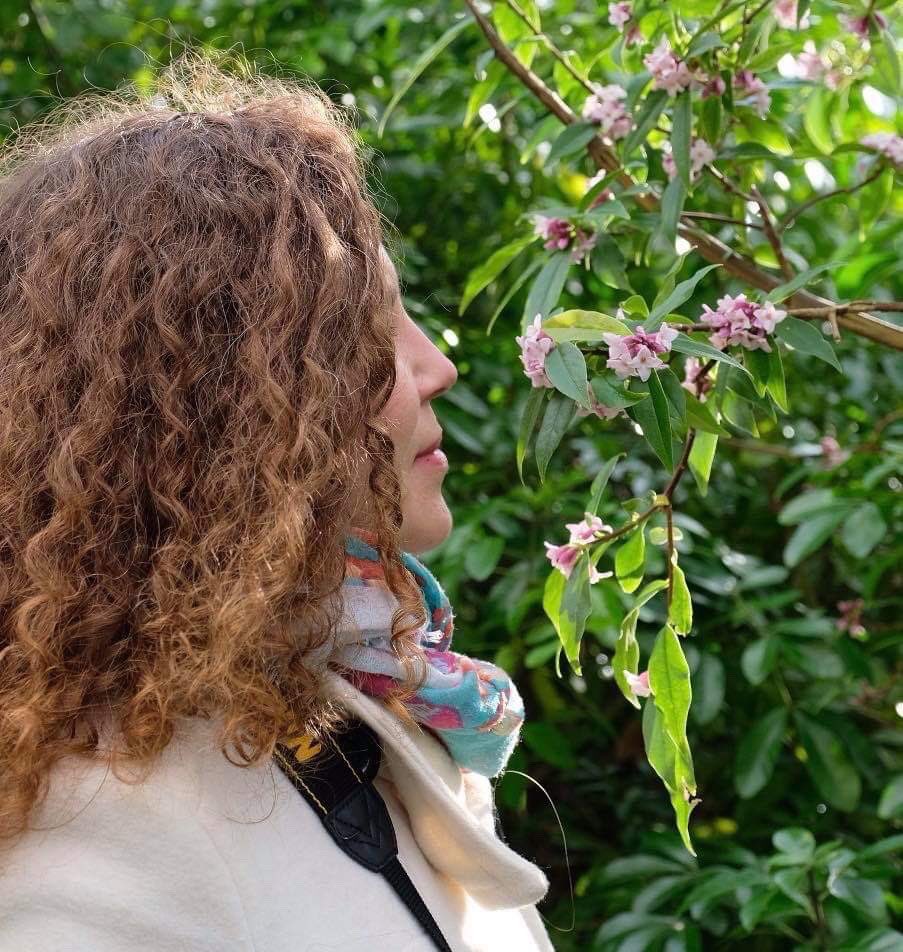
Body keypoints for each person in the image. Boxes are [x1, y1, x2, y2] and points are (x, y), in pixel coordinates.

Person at [0, 50, 553, 951]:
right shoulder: (108, 846)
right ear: (226, 404)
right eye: (369, 331)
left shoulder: (355, 701)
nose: (437, 366)